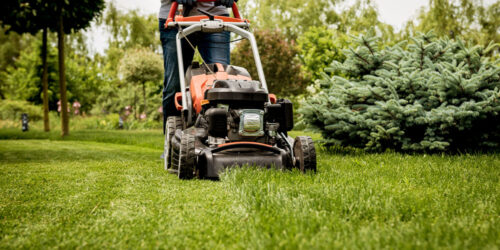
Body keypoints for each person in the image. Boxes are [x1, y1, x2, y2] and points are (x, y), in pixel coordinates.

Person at [159, 0, 237, 133]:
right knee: (175, 86)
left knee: (221, 83)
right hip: (175, 17)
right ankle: (172, 142)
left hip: (216, 17)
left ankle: (219, 137)